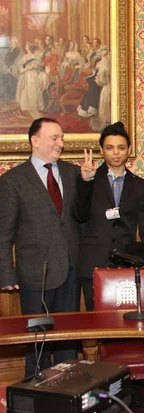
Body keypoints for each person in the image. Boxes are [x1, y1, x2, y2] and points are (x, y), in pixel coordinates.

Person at [0, 118, 94, 376]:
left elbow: (81, 216)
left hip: (70, 269)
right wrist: (5, 273)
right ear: (35, 140)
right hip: (35, 273)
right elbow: (4, 232)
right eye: (54, 138)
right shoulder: (13, 181)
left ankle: (68, 386)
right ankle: (36, 389)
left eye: (62, 138)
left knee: (67, 339)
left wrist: (86, 182)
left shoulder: (73, 173)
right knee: (37, 340)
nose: (60, 143)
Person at [76, 122, 144, 311]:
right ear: (101, 150)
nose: (116, 153)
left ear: (128, 150)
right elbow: (79, 215)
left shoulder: (139, 185)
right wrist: (85, 183)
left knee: (125, 318)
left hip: (126, 262)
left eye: (121, 148)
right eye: (110, 148)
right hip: (93, 262)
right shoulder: (88, 179)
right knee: (96, 321)